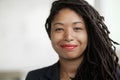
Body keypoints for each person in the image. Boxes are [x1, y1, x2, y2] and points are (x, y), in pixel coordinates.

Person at [25, 0, 120, 80]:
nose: (68, 37)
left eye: (77, 28)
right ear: (50, 33)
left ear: (90, 33)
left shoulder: (112, 75)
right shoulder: (34, 77)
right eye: (59, 29)